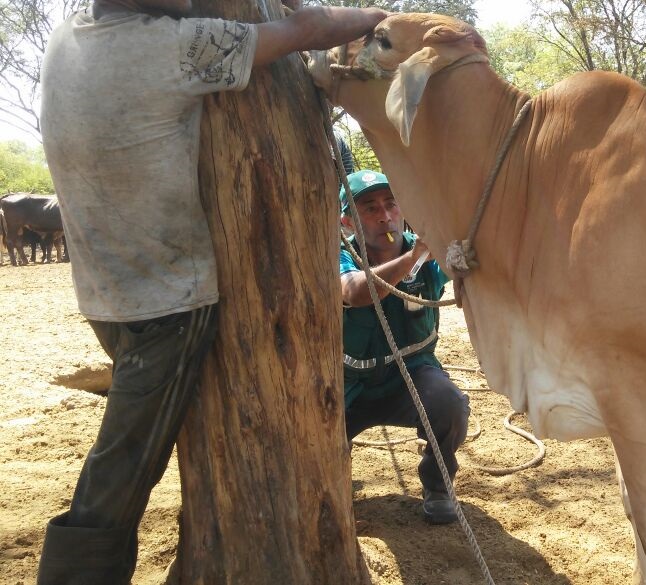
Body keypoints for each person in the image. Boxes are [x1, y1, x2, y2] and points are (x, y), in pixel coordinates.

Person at [36, 1, 387, 583]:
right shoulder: (177, 47)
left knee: (141, 447)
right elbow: (306, 31)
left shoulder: (69, 37)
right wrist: (379, 17)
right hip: (170, 307)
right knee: (122, 470)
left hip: (105, 297)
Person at [339, 169, 470, 525]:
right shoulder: (338, 257)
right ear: (347, 221)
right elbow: (355, 292)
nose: (384, 215)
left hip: (410, 377)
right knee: (309, 437)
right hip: (348, 388)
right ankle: (333, 479)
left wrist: (465, 264)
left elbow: (475, 260)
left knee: (449, 405)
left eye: (390, 204)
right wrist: (412, 259)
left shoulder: (430, 249)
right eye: (369, 208)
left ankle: (438, 485)